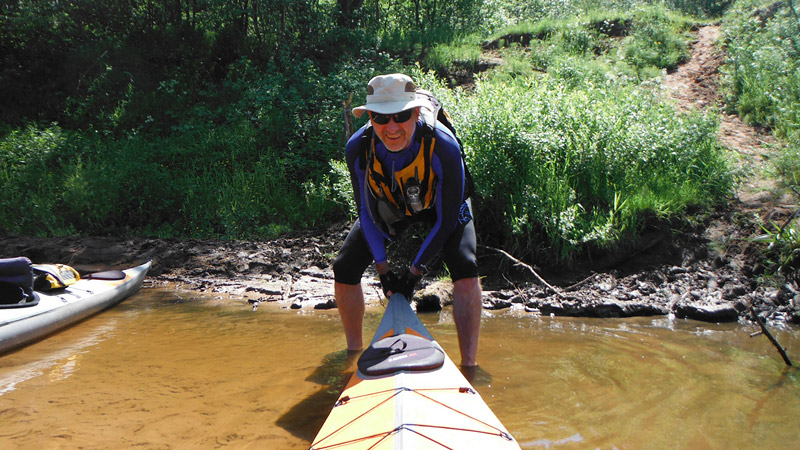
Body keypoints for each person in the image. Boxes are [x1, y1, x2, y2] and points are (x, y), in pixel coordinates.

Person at [332, 73, 482, 367]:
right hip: (393, 204)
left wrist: (413, 274)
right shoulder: (358, 148)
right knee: (344, 267)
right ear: (370, 119)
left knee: (466, 267)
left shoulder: (443, 145)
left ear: (415, 114)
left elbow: (448, 218)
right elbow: (365, 210)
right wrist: (383, 269)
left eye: (400, 116)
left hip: (441, 207)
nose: (391, 128)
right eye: (380, 118)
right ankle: (353, 355)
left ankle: (469, 366)